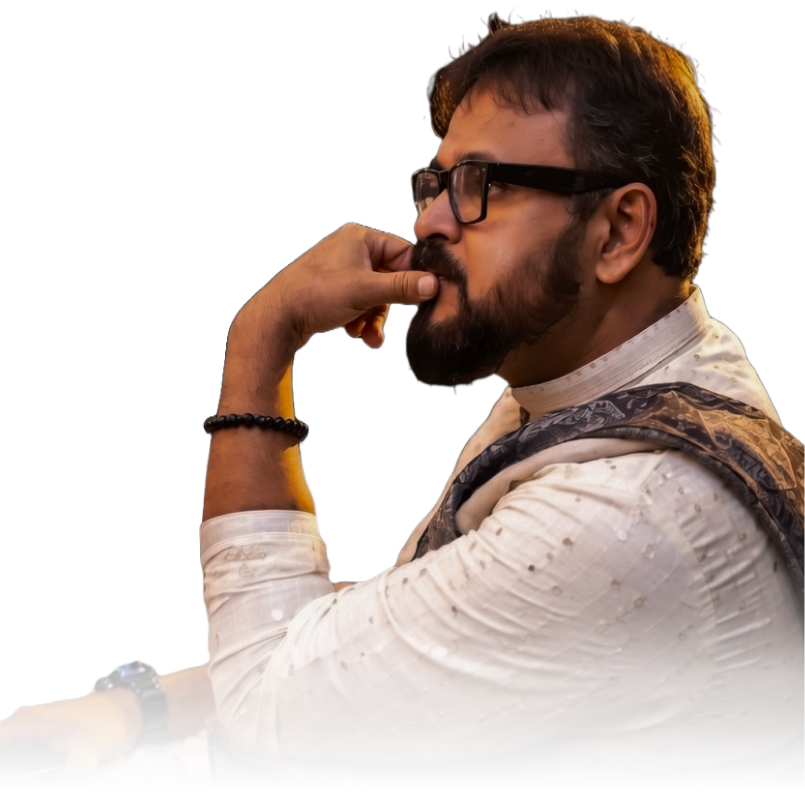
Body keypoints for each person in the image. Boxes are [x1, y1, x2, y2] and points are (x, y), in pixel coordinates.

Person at [3, 11, 803, 788]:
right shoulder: (620, 389)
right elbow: (404, 625)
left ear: (619, 230)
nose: (429, 223)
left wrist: (261, 338)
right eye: (436, 184)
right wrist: (139, 705)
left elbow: (262, 697)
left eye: (480, 184)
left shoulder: (629, 513)